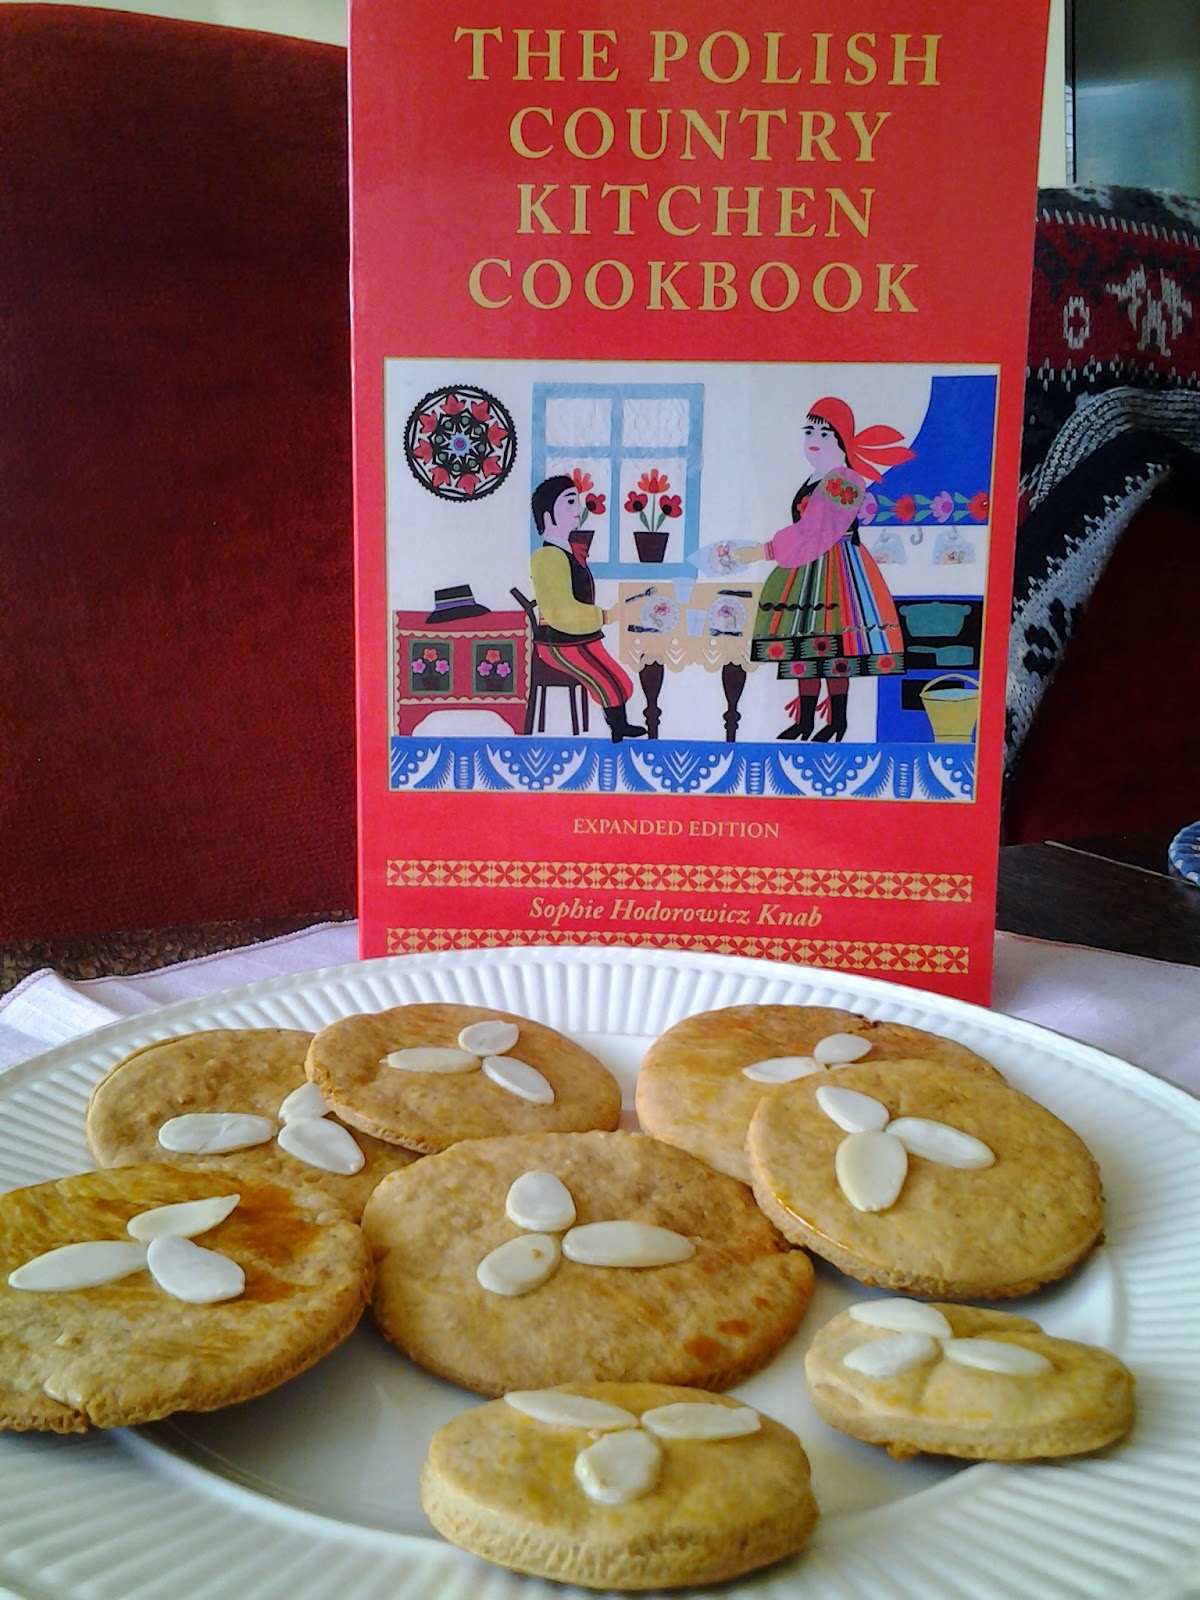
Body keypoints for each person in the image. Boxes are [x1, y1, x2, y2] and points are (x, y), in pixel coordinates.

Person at [738, 398, 913, 742]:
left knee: (835, 649)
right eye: (809, 431)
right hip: (806, 569)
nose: (814, 439)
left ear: (842, 439)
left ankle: (838, 721)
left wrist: (765, 550)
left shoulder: (847, 480)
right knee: (805, 647)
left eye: (825, 433)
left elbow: (815, 531)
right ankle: (805, 721)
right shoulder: (814, 478)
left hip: (837, 571)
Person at [529, 475, 646, 742]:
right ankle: (616, 733)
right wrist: (607, 615)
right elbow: (560, 612)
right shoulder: (547, 557)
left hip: (581, 636)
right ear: (547, 515)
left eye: (577, 501)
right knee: (610, 682)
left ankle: (620, 726)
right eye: (570, 502)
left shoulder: (567, 551)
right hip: (559, 642)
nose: (578, 508)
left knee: (620, 681)